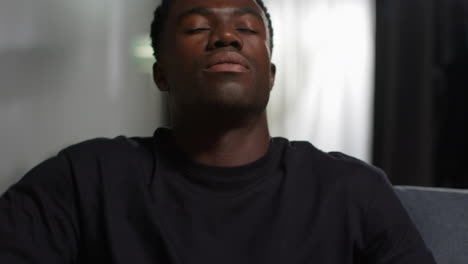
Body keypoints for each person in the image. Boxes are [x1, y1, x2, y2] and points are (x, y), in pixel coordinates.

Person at [0, 0, 437, 263]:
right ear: (161, 74)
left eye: (246, 28)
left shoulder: (352, 189)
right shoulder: (83, 180)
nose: (226, 36)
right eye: (198, 27)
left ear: (270, 74)